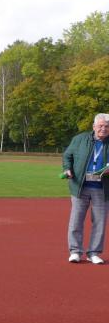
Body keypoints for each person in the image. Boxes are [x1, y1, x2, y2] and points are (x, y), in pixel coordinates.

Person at [63, 113, 109, 264]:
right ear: (94, 126)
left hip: (102, 188)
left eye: (107, 126)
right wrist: (67, 169)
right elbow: (67, 156)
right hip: (80, 186)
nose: (103, 129)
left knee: (100, 222)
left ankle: (93, 253)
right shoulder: (80, 139)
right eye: (100, 126)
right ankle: (75, 252)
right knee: (76, 220)